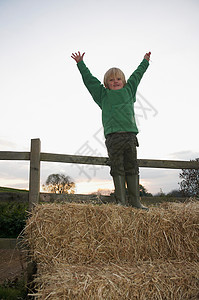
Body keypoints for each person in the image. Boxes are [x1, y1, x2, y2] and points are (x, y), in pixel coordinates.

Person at [71, 51, 151, 209]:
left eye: (118, 78)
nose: (115, 81)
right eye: (111, 79)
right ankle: (120, 201)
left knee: (132, 167)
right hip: (113, 138)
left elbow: (137, 75)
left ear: (124, 81)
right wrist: (80, 64)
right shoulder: (103, 95)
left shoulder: (129, 90)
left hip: (129, 137)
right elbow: (90, 81)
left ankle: (135, 202)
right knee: (117, 168)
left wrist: (145, 62)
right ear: (106, 83)